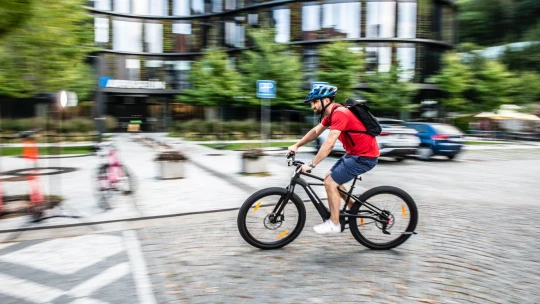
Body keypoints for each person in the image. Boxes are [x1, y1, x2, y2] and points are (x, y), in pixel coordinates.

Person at [287, 85, 379, 234]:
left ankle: (334, 223)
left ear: (326, 100)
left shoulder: (340, 113)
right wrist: (297, 145)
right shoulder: (331, 115)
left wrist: (311, 164)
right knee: (330, 178)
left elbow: (329, 143)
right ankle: (354, 208)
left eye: (314, 102)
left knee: (330, 182)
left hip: (364, 157)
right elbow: (316, 131)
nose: (312, 106)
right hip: (354, 154)